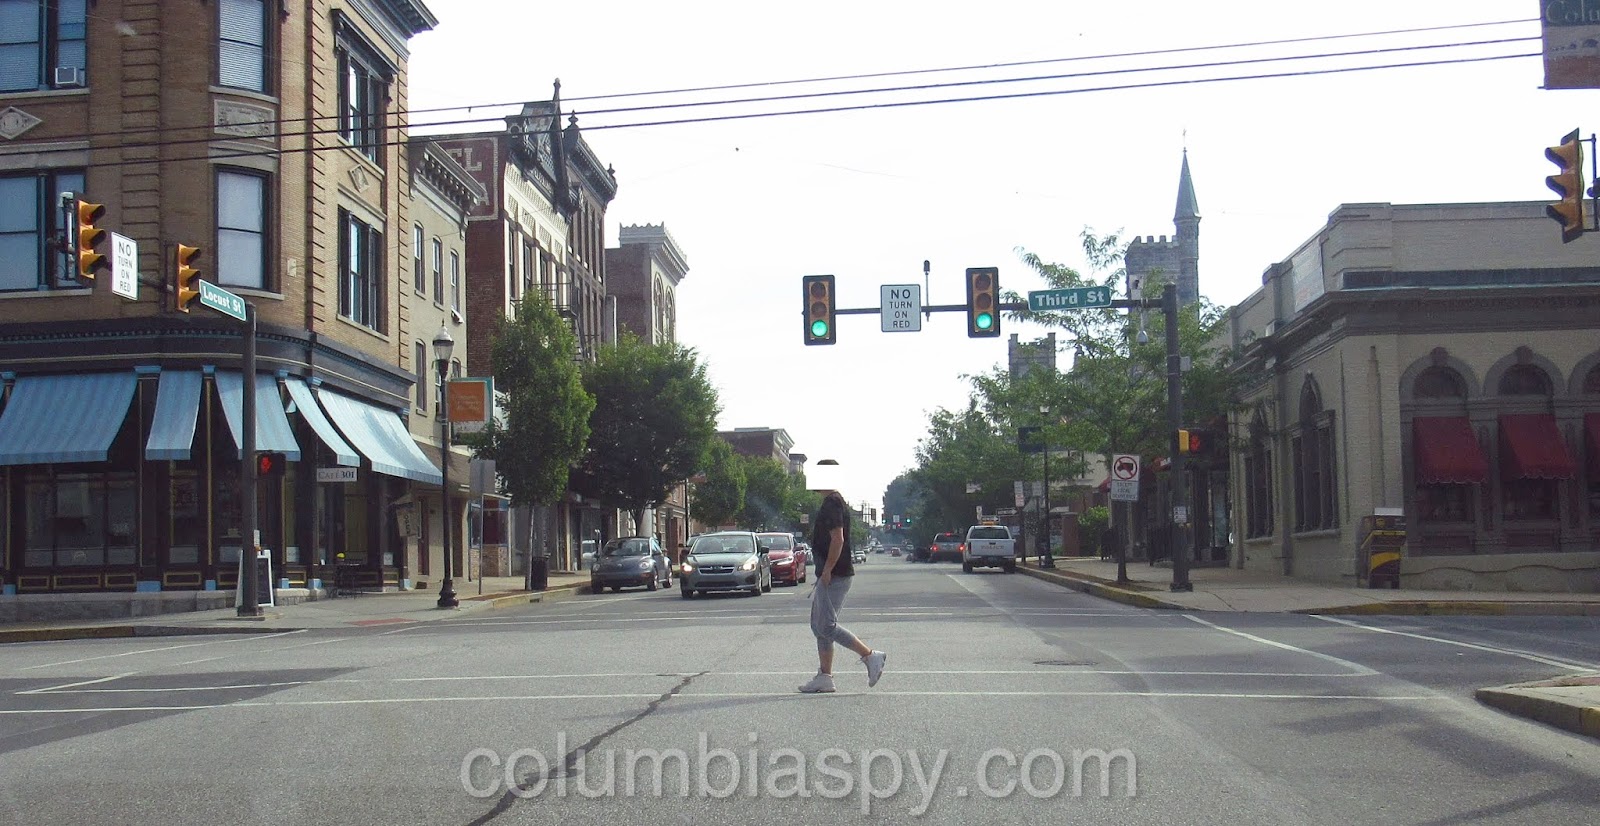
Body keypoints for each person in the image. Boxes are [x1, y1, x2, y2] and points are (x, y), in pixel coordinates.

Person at [798, 490, 886, 694]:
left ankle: (870, 656)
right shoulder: (831, 502)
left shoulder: (832, 502)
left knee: (826, 626)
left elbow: (838, 539)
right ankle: (825, 677)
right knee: (818, 627)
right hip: (829, 574)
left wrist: (828, 569)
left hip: (835, 574)